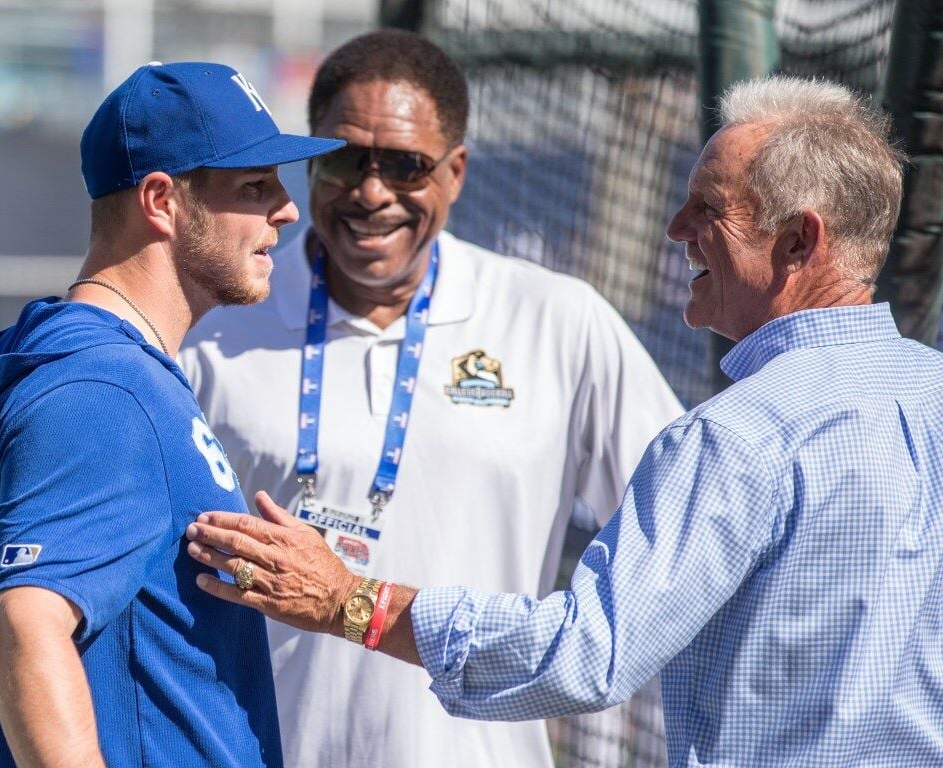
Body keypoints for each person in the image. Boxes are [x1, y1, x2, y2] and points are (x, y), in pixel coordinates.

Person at [184, 74, 943, 766]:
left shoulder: (732, 436)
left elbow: (591, 653)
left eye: (707, 207)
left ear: (798, 240)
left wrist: (346, 601)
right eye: (347, 160)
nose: (676, 228)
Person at [179, 29, 683, 768]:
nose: (373, 192)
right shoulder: (217, 327)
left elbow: (681, 535)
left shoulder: (556, 320)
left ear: (456, 172)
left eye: (408, 167)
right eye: (347, 159)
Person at [0, 61, 342, 767]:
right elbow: (19, 632)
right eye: (253, 186)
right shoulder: (106, 390)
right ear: (161, 200)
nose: (287, 209)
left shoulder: (39, 365)